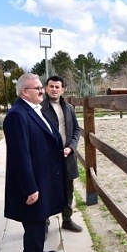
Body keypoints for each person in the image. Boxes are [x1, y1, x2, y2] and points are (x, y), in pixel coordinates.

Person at [3, 73, 66, 252]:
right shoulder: (17, 115)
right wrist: (30, 187)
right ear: (24, 92)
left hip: (42, 177)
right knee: (35, 222)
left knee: (37, 222)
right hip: (33, 181)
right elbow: (19, 155)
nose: (42, 91)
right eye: (37, 88)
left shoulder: (32, 110)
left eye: (41, 87)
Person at [42, 75, 83, 232]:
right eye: (51, 86)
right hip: (47, 158)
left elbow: (76, 130)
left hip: (67, 157)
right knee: (46, 191)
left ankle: (67, 220)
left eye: (57, 87)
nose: (54, 89)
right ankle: (44, 225)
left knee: (68, 190)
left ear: (62, 90)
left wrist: (71, 147)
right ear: (46, 88)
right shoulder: (39, 108)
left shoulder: (69, 108)